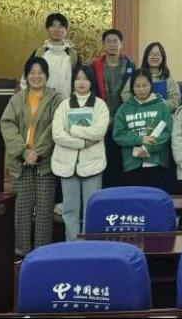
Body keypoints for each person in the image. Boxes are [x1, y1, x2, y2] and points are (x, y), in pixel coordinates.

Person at [0, 56, 63, 255]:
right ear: (26, 76)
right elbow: (7, 124)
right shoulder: (16, 100)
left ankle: (41, 253)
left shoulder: (56, 99)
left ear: (47, 75)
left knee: (45, 210)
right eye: (32, 73)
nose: (36, 76)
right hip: (21, 162)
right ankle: (22, 252)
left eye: (40, 73)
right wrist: (24, 151)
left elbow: (56, 127)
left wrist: (38, 152)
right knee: (22, 209)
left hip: (45, 163)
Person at [51, 65, 109, 241]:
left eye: (85, 79)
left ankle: (89, 247)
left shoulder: (100, 105)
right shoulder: (64, 105)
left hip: (93, 164)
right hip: (67, 165)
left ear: (92, 82)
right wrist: (83, 142)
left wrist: (73, 129)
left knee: (91, 209)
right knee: (69, 210)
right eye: (78, 79)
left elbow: (99, 132)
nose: (81, 83)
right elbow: (57, 134)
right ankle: (72, 246)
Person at [112, 69, 173, 189]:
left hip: (156, 163)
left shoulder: (162, 106)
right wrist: (141, 139)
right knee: (135, 199)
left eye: (145, 85)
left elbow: (167, 133)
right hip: (132, 164)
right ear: (132, 88)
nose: (141, 89)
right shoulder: (124, 109)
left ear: (151, 85)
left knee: (155, 198)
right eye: (137, 86)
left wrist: (147, 149)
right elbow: (118, 135)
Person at [92, 28, 136, 187]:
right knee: (105, 159)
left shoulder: (129, 65)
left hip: (123, 120)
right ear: (104, 44)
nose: (112, 45)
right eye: (108, 41)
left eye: (115, 41)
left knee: (121, 160)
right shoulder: (95, 66)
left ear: (121, 44)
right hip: (102, 119)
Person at [20, 13, 79, 99]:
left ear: (66, 30)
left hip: (66, 103)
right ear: (47, 29)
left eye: (60, 26)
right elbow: (25, 80)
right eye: (53, 26)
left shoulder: (74, 56)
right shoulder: (38, 54)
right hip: (41, 103)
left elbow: (79, 80)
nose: (56, 29)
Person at [123, 42, 180, 113]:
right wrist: (138, 104)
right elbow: (125, 94)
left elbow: (174, 102)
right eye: (151, 54)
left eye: (158, 54)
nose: (154, 57)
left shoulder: (168, 78)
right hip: (140, 114)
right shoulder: (137, 75)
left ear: (163, 57)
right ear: (146, 57)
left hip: (162, 115)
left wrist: (157, 104)